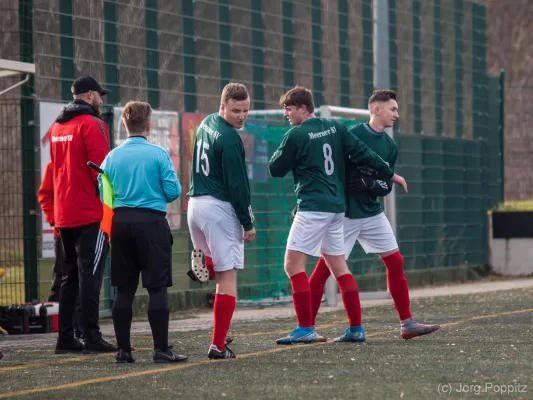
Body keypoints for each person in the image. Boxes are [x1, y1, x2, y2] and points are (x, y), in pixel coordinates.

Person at [268, 86, 407, 345]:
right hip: (337, 209)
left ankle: (304, 327)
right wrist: (390, 174)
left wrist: (287, 149)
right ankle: (356, 328)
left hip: (312, 207)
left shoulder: (295, 134)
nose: (286, 113)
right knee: (338, 267)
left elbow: (275, 168)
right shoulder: (335, 127)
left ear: (302, 108)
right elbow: (364, 153)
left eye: (288, 108)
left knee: (292, 265)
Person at [308, 90, 440, 341]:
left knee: (395, 262)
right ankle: (306, 327)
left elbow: (386, 184)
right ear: (376, 110)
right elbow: (332, 170)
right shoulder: (353, 135)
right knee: (324, 271)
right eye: (393, 109)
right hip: (344, 215)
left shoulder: (390, 146)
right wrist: (347, 185)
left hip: (371, 213)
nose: (396, 115)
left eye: (397, 110)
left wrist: (370, 185)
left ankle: (407, 323)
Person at [99, 101, 187, 364]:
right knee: (157, 288)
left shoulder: (111, 157)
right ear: (148, 125)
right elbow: (173, 192)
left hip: (121, 223)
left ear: (124, 125)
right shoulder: (159, 154)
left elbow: (103, 192)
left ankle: (123, 351)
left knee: (123, 289)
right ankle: (161, 349)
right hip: (151, 223)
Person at [186, 82, 256, 359]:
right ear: (222, 106)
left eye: (246, 111)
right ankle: (217, 344)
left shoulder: (207, 122)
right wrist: (247, 222)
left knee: (217, 268)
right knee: (228, 277)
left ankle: (207, 265)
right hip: (217, 209)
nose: (242, 116)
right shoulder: (230, 139)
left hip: (195, 205)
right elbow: (238, 186)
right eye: (236, 110)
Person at [49, 76, 116, 354]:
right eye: (99, 95)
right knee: (91, 275)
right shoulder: (93, 124)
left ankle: (65, 337)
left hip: (64, 212)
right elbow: (101, 171)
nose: (101, 100)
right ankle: (91, 335)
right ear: (89, 95)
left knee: (69, 277)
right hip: (90, 212)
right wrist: (112, 210)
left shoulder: (57, 126)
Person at [37, 161, 82, 338]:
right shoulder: (53, 166)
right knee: (63, 276)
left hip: (84, 229)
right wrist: (56, 221)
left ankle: (79, 324)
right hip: (63, 230)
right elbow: (45, 196)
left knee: (82, 278)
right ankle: (60, 324)